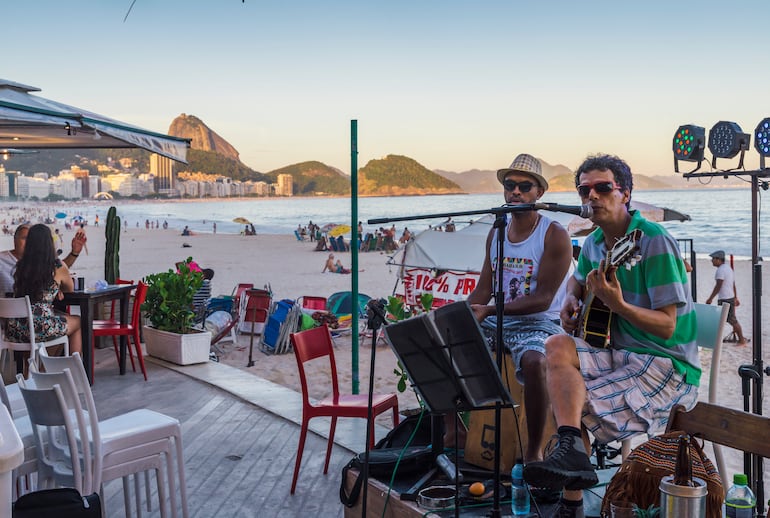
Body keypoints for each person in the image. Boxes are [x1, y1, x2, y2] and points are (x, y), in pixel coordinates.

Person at [523, 154, 699, 517]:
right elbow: (578, 281)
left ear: (626, 194)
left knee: (572, 404)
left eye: (603, 188)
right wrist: (572, 299)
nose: (592, 197)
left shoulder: (653, 242)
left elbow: (669, 327)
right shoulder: (593, 245)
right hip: (617, 352)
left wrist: (617, 305)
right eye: (584, 190)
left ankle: (570, 506)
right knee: (555, 344)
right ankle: (571, 449)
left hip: (666, 364)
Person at [465, 153, 573, 465]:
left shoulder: (554, 234)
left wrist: (489, 312)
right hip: (498, 319)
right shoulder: (496, 231)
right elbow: (484, 289)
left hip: (541, 322)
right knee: (446, 340)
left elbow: (542, 298)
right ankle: (452, 431)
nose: (516, 192)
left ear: (540, 193)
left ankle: (534, 451)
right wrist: (462, 314)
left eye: (525, 187)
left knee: (536, 361)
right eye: (510, 185)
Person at [5, 224, 82, 357]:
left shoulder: (21, 266)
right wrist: (57, 288)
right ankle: (74, 368)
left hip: (15, 328)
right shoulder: (57, 266)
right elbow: (69, 289)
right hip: (39, 328)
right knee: (78, 321)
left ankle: (36, 370)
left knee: (56, 323)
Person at [0, 223, 87, 297]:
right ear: (14, 239)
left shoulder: (23, 265)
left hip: (20, 313)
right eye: (25, 238)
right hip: (36, 314)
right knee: (77, 317)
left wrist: (74, 254)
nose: (28, 243)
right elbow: (66, 286)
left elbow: (56, 269)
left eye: (31, 239)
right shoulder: (13, 262)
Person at [705, 250, 748, 345]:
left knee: (732, 320)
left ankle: (741, 340)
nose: (712, 261)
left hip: (725, 298)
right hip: (730, 297)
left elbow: (718, 285)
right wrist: (736, 297)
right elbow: (733, 284)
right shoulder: (728, 268)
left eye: (713, 259)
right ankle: (716, 340)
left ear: (719, 259)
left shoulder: (720, 270)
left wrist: (710, 298)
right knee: (722, 320)